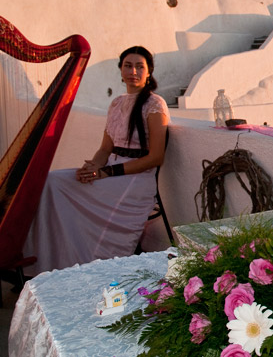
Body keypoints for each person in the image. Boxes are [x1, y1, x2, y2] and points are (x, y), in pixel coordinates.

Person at [24, 46, 169, 274]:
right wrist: (91, 167)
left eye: (140, 66)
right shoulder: (116, 103)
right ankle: (53, 262)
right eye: (128, 65)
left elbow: (155, 157)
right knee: (51, 181)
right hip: (110, 170)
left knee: (63, 186)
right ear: (121, 71)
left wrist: (106, 173)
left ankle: (92, 265)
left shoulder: (155, 104)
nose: (133, 71)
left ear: (149, 71)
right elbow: (104, 149)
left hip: (136, 178)